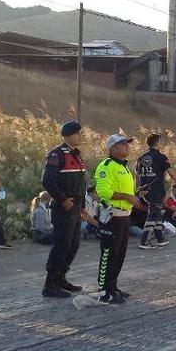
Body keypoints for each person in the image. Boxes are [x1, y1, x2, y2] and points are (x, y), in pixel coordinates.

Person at [76, 134, 141, 308]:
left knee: (120, 253)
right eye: (122, 144)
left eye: (127, 144)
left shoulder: (125, 167)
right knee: (108, 253)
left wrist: (134, 196)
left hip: (125, 216)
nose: (127, 146)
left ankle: (113, 286)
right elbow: (104, 191)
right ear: (112, 148)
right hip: (112, 216)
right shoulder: (106, 166)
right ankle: (104, 290)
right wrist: (128, 196)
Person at [41, 121, 90, 299]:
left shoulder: (77, 155)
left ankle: (61, 278)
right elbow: (47, 180)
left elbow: (81, 184)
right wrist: (62, 199)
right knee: (61, 244)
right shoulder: (57, 154)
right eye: (78, 133)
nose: (81, 136)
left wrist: (83, 206)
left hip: (76, 206)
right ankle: (50, 284)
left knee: (73, 245)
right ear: (68, 135)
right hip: (64, 207)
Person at [136, 133, 176, 250]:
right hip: (156, 189)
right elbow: (171, 173)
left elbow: (137, 174)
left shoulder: (141, 157)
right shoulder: (161, 157)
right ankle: (144, 241)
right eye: (161, 142)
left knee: (157, 213)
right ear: (158, 143)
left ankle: (160, 238)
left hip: (144, 190)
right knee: (153, 214)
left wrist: (138, 188)